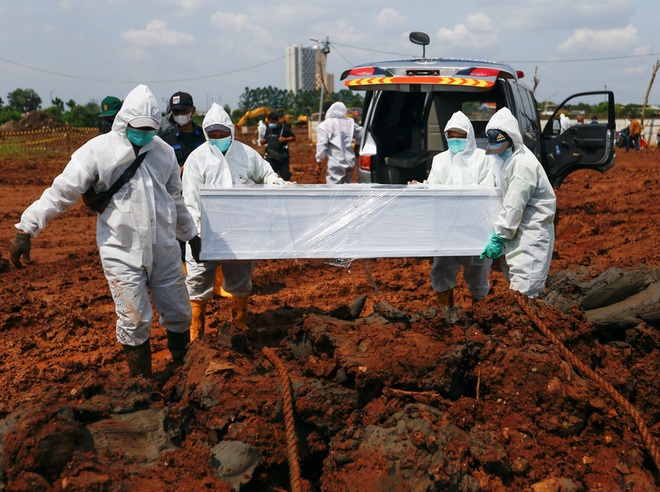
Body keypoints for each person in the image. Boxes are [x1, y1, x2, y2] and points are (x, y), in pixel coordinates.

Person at [9, 84, 198, 378]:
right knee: (134, 319)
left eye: (151, 128)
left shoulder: (163, 153)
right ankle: (142, 385)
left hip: (164, 248)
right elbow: (62, 192)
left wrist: (190, 235)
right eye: (139, 128)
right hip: (121, 249)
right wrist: (26, 228)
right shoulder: (98, 151)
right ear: (125, 122)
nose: (145, 134)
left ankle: (185, 373)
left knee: (179, 312)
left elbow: (176, 199)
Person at [182, 103, 285, 340]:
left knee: (240, 279)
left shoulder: (247, 154)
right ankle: (196, 335)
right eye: (213, 134)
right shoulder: (197, 159)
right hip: (206, 233)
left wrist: (275, 185)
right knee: (197, 282)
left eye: (222, 133)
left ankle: (240, 327)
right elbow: (190, 199)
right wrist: (196, 233)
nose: (218, 138)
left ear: (231, 131)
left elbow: (267, 175)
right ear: (207, 134)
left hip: (240, 232)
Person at [481, 107, 556, 298]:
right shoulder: (501, 160)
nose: (497, 153)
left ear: (511, 141)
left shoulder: (524, 165)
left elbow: (514, 205)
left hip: (531, 233)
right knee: (515, 286)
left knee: (525, 290)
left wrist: (500, 236)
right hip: (514, 232)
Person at [425, 111, 492, 307]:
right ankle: (447, 314)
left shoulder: (482, 158)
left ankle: (478, 314)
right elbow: (433, 187)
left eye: (460, 136)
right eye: (451, 136)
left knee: (478, 271)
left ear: (469, 136)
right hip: (447, 227)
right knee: (443, 269)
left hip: (475, 227)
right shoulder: (440, 160)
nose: (455, 140)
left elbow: (486, 189)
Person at [315, 101, 362, 184]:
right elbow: (360, 133)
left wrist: (318, 163)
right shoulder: (350, 122)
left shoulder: (324, 125)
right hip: (350, 162)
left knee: (334, 193)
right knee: (347, 191)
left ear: (325, 112)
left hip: (336, 164)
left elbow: (322, 146)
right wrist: (357, 147)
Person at [159, 91, 206, 170]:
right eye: (176, 112)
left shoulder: (204, 136)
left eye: (183, 111)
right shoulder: (166, 138)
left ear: (193, 110)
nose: (180, 115)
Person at [260, 112, 295, 181]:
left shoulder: (284, 128)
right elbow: (266, 139)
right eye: (269, 122)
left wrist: (285, 139)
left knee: (286, 176)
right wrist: (263, 141)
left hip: (282, 158)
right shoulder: (269, 129)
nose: (271, 124)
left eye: (272, 122)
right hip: (270, 158)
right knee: (269, 176)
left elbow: (293, 138)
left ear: (277, 121)